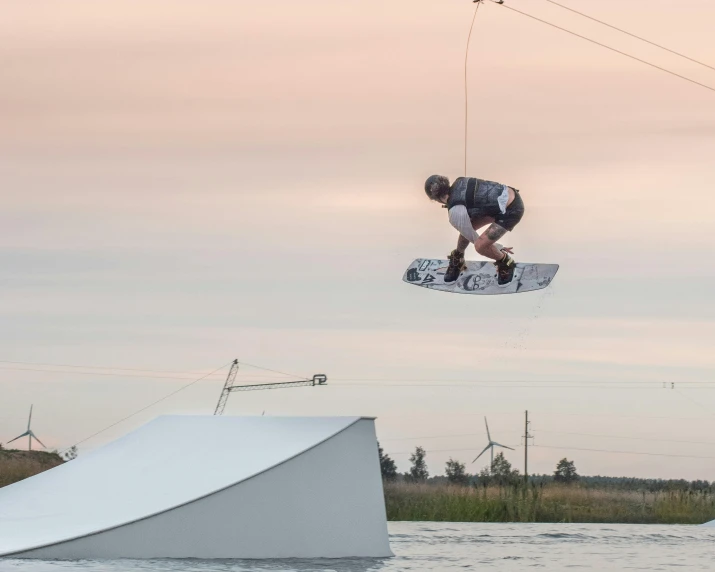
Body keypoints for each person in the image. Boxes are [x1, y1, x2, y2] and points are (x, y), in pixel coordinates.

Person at [424, 174, 525, 285]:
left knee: (480, 246)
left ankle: (505, 262)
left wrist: (498, 248)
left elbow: (473, 237)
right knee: (466, 226)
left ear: (436, 199)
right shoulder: (459, 181)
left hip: (512, 210)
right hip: (508, 196)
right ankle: (458, 256)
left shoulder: (455, 212)